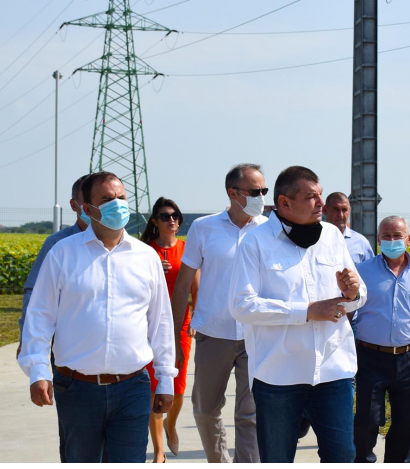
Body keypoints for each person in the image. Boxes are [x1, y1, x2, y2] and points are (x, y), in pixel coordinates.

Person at [18, 171, 177, 463]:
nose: (117, 205)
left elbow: (161, 324)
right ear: (87, 209)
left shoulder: (146, 257)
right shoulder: (62, 253)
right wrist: (38, 369)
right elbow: (40, 316)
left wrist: (165, 378)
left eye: (121, 198)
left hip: (133, 387)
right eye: (106, 199)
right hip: (77, 389)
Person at [229, 166, 367, 463]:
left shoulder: (332, 236)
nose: (321, 203)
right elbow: (242, 305)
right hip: (279, 377)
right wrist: (305, 312)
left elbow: (357, 298)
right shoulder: (255, 242)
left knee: (343, 456)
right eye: (311, 197)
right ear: (284, 203)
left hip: (333, 371)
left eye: (320, 195)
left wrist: (353, 293)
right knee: (277, 459)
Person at [169, 164, 267, 463]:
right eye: (254, 192)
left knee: (250, 413)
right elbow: (184, 283)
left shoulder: (268, 229)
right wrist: (174, 337)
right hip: (214, 333)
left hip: (256, 333)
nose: (261, 196)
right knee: (205, 408)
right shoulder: (204, 227)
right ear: (233, 193)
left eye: (264, 191)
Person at [352, 216, 410, 463]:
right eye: (386, 236)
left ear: (409, 239)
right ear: (379, 239)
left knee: (405, 423)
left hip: (408, 359)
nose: (391, 241)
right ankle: (362, 461)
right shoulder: (362, 272)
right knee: (367, 420)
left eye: (397, 236)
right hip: (370, 357)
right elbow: (349, 313)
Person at [16, 173, 89, 464]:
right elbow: (35, 295)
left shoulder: (126, 245)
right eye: (100, 201)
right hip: (69, 357)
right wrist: (30, 343)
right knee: (76, 435)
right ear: (77, 205)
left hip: (120, 367)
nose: (112, 208)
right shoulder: (58, 244)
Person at [139, 197, 200, 463]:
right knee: (155, 385)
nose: (172, 220)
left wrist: (196, 319)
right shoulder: (144, 251)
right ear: (155, 221)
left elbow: (196, 289)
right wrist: (153, 270)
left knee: (177, 388)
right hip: (148, 326)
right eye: (165, 216)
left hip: (180, 326)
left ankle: (171, 424)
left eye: (175, 215)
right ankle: (159, 451)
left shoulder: (187, 250)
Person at [323, 192, 374, 264]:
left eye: (344, 210)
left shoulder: (361, 242)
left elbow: (370, 271)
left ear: (349, 210)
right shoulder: (315, 239)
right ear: (325, 210)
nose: (340, 215)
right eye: (335, 209)